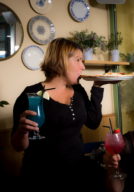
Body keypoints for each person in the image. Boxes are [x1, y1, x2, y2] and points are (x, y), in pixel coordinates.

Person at [11, 38, 117, 187]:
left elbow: (93, 122)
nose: (82, 67)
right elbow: (17, 146)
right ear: (61, 60)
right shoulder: (32, 94)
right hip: (41, 176)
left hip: (76, 172)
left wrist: (98, 86)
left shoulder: (78, 91)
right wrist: (22, 132)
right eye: (78, 60)